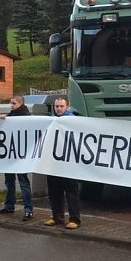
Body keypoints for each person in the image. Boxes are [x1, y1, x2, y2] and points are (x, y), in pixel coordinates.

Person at [44, 97, 81, 229]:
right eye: (56, 106)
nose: (58, 109)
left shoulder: (73, 121)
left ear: (67, 107)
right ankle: (57, 216)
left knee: (71, 192)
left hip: (69, 163)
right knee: (54, 191)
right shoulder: (51, 120)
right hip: (54, 162)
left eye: (61, 106)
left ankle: (75, 219)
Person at [0, 95, 34, 220]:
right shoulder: (12, 115)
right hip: (10, 154)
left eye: (14, 103)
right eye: (11, 103)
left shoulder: (24, 116)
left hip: (20, 156)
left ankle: (28, 209)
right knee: (9, 182)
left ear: (21, 104)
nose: (12, 105)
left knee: (23, 183)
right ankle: (9, 206)